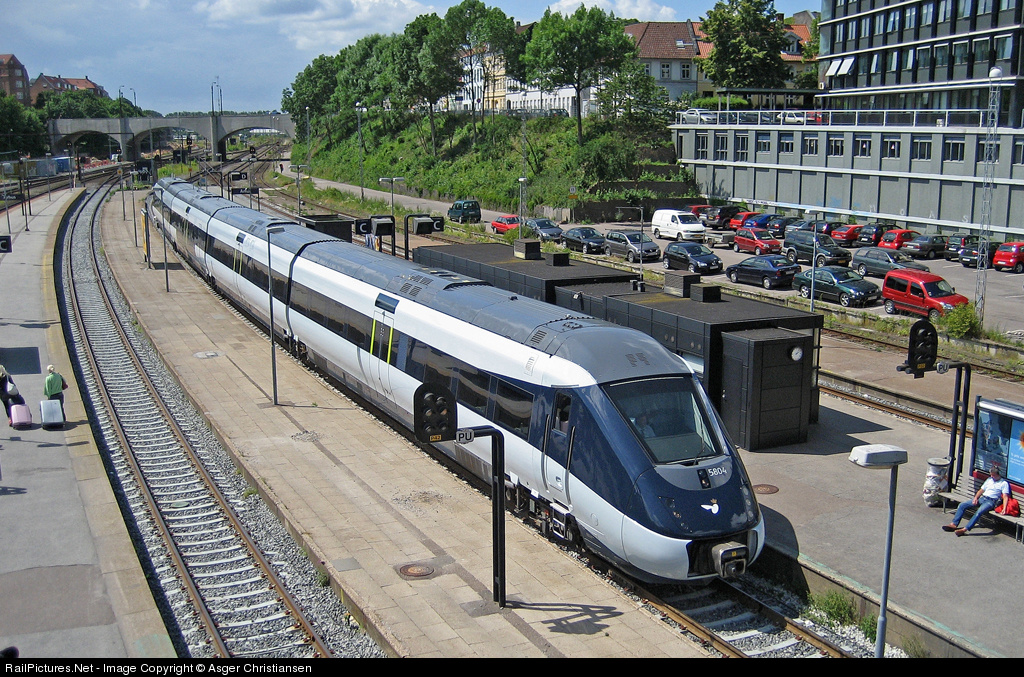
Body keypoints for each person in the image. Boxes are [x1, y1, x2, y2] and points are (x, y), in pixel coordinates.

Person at [942, 464, 1011, 536]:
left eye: (993, 475)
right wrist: (976, 498)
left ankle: (965, 529)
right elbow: (981, 490)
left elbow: (1005, 497)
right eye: (991, 475)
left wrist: (1004, 509)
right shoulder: (989, 480)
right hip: (983, 498)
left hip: (991, 501)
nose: (991, 476)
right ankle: (954, 524)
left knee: (979, 512)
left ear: (998, 474)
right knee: (962, 505)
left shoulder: (1004, 483)